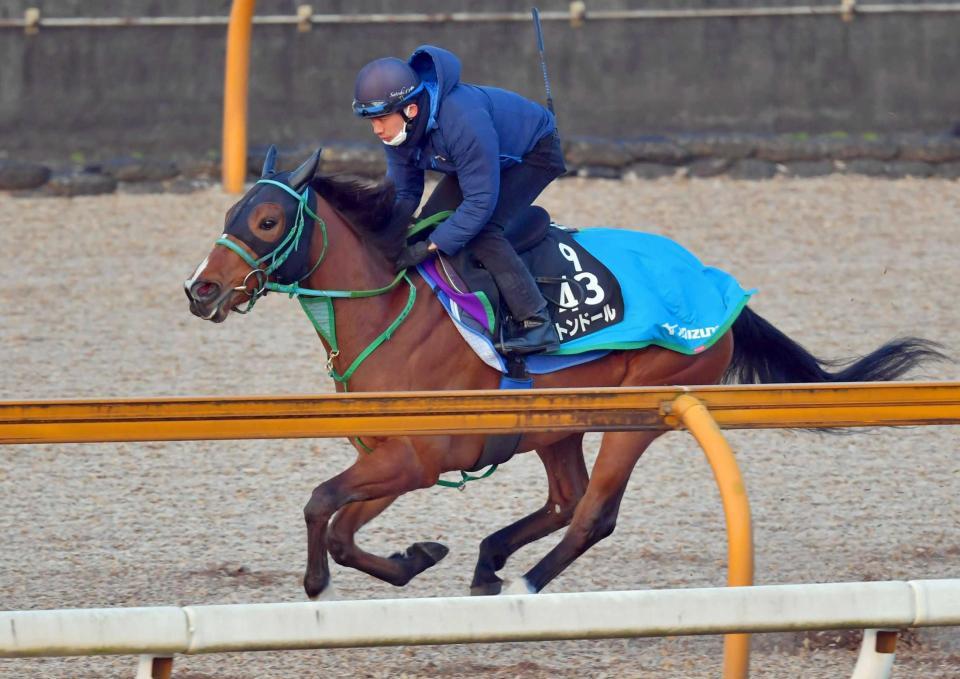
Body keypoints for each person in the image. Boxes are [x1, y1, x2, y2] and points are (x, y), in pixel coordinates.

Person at [352, 45, 565, 355]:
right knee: (429, 222)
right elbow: (405, 194)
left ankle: (536, 323)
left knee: (482, 231)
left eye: (381, 118)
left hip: (534, 153)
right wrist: (382, 238)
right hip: (478, 158)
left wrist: (427, 248)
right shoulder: (397, 131)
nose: (376, 129)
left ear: (411, 110)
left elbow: (480, 203)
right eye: (370, 119)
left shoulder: (462, 120)